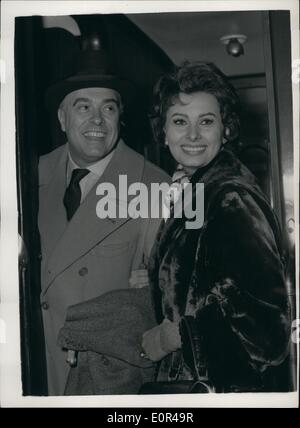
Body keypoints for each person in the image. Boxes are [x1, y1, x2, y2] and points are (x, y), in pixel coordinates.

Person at [141, 61, 291, 392]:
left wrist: (175, 336)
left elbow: (268, 331)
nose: (192, 135)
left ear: (226, 129)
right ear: (163, 132)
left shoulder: (230, 197)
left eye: (206, 122)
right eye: (180, 121)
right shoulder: (197, 189)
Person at [38, 47, 169, 395]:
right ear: (62, 118)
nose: (97, 121)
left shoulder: (154, 186)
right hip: (37, 368)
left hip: (105, 376)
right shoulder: (32, 175)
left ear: (119, 118)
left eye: (108, 108)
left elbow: (170, 297)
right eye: (83, 107)